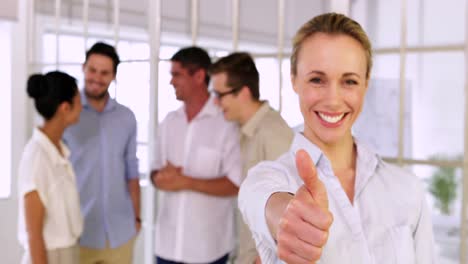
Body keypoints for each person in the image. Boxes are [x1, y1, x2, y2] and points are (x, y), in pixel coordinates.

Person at [238, 12, 435, 264]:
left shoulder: (407, 189)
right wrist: (285, 215)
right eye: (317, 79)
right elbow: (257, 197)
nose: (332, 100)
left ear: (366, 83)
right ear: (294, 81)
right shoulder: (269, 177)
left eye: (349, 81)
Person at [150, 46, 242, 264]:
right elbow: (154, 171)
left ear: (199, 76)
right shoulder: (169, 123)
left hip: (208, 250)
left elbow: (235, 184)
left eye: (177, 75)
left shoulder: (226, 124)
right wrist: (160, 178)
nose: (171, 82)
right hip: (166, 247)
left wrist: (186, 182)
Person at [209, 52, 294, 264]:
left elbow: (289, 210)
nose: (216, 103)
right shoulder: (242, 130)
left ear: (244, 93)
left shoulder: (273, 133)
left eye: (220, 95)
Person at [63, 42, 140, 264]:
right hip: (78, 232)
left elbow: (131, 169)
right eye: (92, 70)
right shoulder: (66, 115)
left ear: (114, 76)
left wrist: (136, 217)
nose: (97, 77)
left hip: (120, 232)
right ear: (83, 68)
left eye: (105, 72)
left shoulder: (126, 117)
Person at [18, 71, 83, 264]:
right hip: (48, 256)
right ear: (65, 108)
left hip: (67, 253)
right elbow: (34, 234)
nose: (82, 107)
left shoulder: (58, 150)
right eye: (78, 101)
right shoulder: (37, 157)